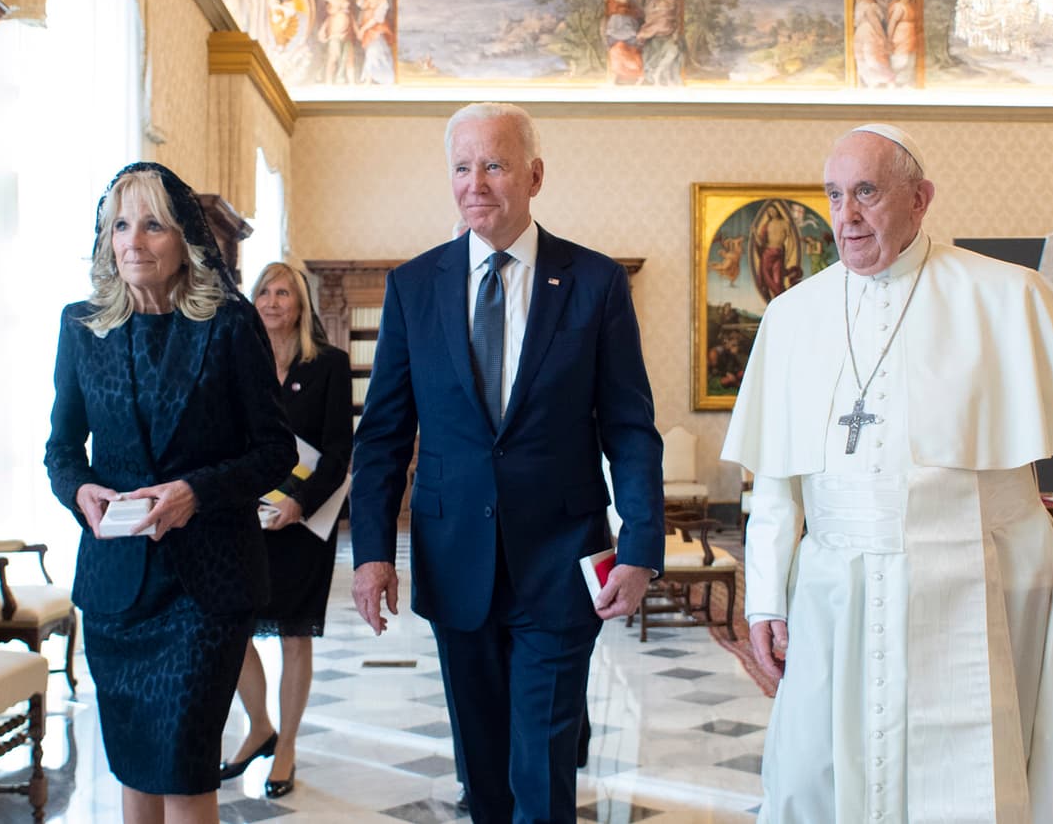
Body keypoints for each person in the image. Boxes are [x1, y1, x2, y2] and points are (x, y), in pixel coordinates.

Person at [722, 124, 1053, 823]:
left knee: (989, 776)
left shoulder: (1005, 294)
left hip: (987, 575)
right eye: (835, 194)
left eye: (867, 191)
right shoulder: (791, 317)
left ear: (919, 198)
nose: (848, 214)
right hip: (838, 586)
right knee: (817, 773)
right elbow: (776, 479)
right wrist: (766, 600)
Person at [350, 102, 665, 823]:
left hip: (560, 560)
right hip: (454, 554)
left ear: (534, 175)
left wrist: (642, 544)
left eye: (493, 164)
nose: (475, 183)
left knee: (542, 765)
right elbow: (384, 435)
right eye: (462, 167)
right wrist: (372, 552)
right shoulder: (414, 286)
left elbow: (629, 426)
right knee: (482, 768)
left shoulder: (593, 282)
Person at [45, 162, 296, 824]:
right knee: (136, 770)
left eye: (153, 224)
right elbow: (62, 450)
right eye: (120, 225)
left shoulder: (229, 325)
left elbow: (276, 451)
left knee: (184, 768)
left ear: (183, 236)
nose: (133, 240)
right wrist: (82, 493)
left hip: (205, 590)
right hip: (116, 590)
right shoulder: (81, 328)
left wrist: (194, 491)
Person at [220, 262, 353, 800]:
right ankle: (259, 725)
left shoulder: (329, 365)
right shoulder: (234, 362)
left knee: (295, 636)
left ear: (301, 306)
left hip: (302, 523)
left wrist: (299, 503)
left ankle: (289, 745)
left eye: (283, 293)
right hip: (242, 519)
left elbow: (340, 451)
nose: (272, 301)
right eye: (264, 292)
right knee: (232, 629)